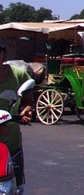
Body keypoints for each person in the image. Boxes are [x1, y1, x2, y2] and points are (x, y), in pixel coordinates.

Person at [0, 40, 34, 192]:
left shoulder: (19, 74)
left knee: (16, 187)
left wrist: (26, 111)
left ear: (3, 54)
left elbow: (28, 101)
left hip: (11, 143)